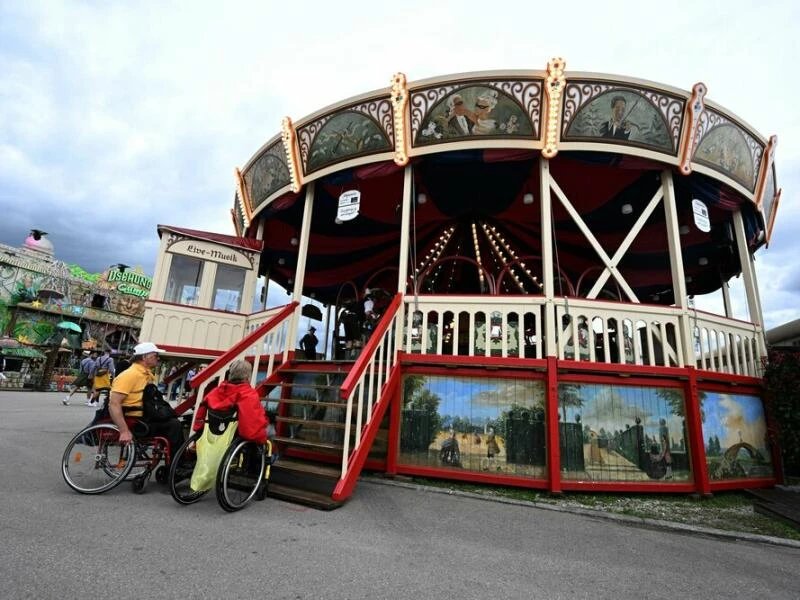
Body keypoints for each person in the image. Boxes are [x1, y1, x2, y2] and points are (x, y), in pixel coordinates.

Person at [108, 342, 185, 456]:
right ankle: (177, 466)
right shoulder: (129, 375)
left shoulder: (146, 374)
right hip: (135, 420)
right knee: (174, 426)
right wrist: (124, 431)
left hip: (146, 416)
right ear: (144, 357)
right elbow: (114, 404)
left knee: (173, 419)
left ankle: (175, 462)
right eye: (155, 355)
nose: (158, 358)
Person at [192, 359, 269, 444]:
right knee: (270, 436)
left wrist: (199, 431)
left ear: (230, 374)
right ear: (248, 377)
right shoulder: (248, 395)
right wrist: (263, 439)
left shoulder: (215, 392)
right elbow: (250, 431)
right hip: (233, 440)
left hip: (213, 437)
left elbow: (199, 419)